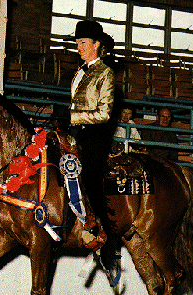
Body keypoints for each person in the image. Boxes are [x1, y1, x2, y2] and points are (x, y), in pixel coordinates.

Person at [69, 20, 116, 223]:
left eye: (83, 43)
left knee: (89, 175)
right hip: (74, 131)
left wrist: (73, 117)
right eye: (77, 43)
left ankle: (100, 225)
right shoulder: (79, 71)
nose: (78, 48)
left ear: (96, 44)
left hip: (95, 135)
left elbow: (104, 114)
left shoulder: (106, 73)